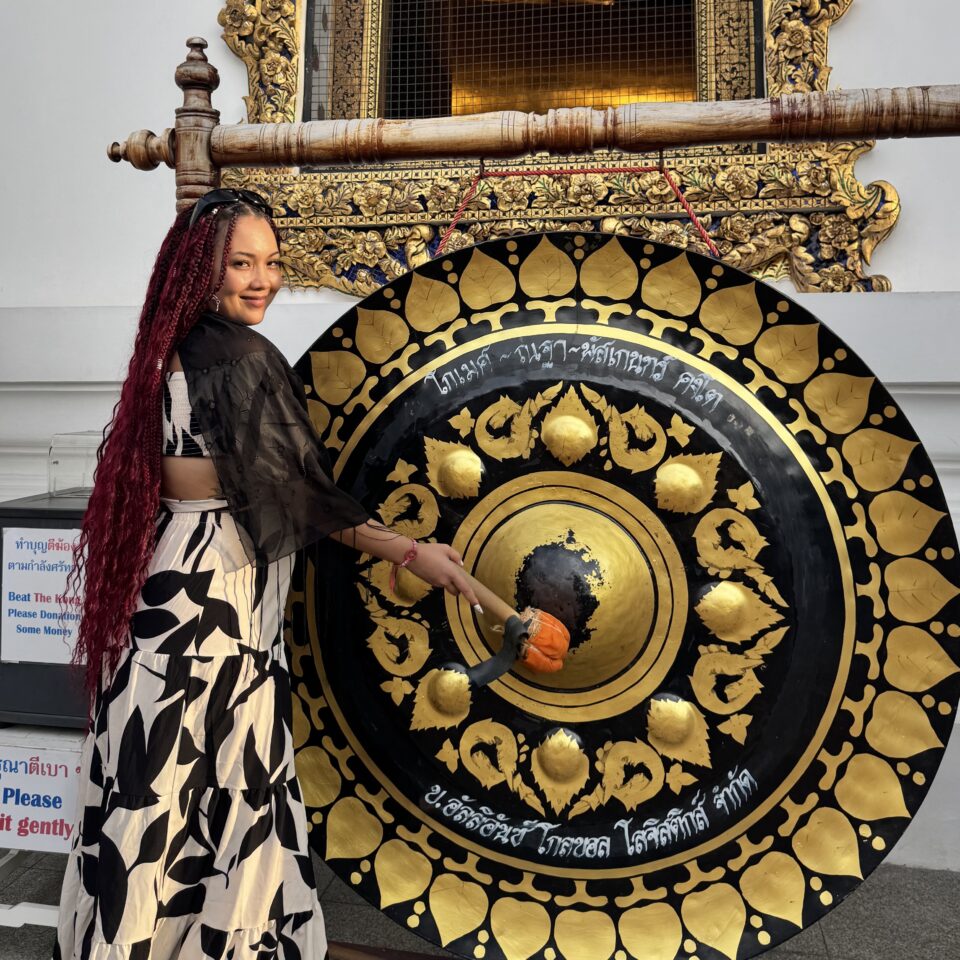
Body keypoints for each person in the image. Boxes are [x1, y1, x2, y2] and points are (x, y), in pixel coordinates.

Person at [55, 188, 481, 960]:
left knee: (155, 782)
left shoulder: (166, 349)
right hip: (215, 598)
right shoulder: (243, 360)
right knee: (227, 781)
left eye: (274, 263)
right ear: (200, 269)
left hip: (163, 587)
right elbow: (297, 496)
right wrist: (411, 552)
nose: (264, 281)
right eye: (242, 264)